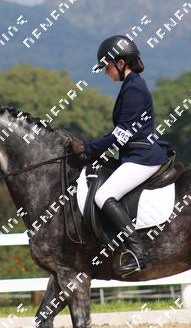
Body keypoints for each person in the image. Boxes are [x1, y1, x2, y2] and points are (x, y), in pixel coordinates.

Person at [67, 35, 172, 275]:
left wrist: (88, 147)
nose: (106, 72)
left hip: (143, 157)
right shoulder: (131, 85)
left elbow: (121, 133)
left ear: (121, 63)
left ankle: (139, 253)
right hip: (133, 154)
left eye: (107, 67)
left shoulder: (134, 88)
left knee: (104, 195)